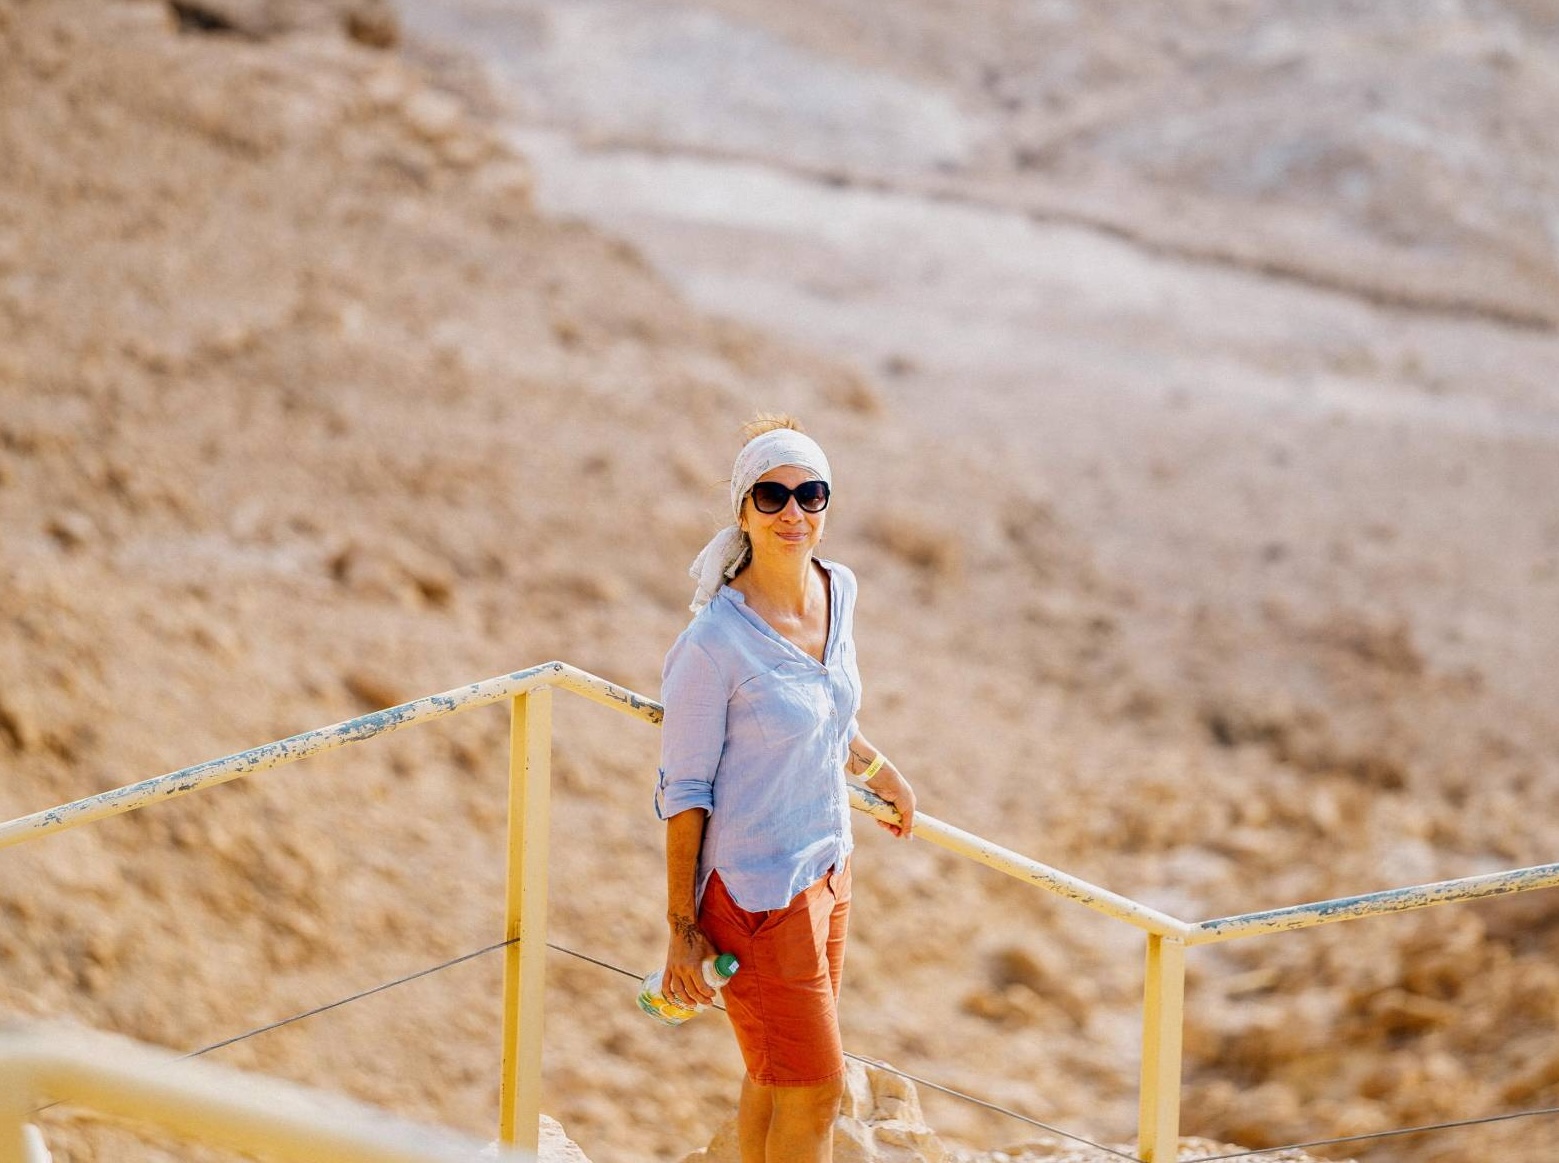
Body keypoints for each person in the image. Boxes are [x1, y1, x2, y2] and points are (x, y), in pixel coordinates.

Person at [654, 415, 916, 1163]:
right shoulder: (713, 645)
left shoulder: (840, 591)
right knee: (817, 1090)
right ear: (742, 511)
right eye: (770, 496)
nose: (792, 512)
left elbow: (829, 710)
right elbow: (684, 790)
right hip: (759, 893)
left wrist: (878, 770)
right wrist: (680, 925)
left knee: (777, 1077)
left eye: (809, 493)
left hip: (828, 867)